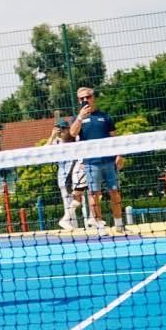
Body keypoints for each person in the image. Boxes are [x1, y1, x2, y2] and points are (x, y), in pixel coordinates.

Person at [68, 87, 124, 233]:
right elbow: (73, 133)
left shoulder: (105, 117)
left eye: (87, 97)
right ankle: (99, 226)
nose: (85, 100)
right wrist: (80, 117)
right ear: (78, 101)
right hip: (91, 163)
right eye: (81, 98)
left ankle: (119, 224)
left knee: (114, 192)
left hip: (109, 161)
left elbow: (114, 137)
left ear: (93, 98)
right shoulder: (76, 118)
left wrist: (119, 155)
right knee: (94, 194)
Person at [51, 120, 85, 230]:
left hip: (76, 174)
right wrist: (52, 137)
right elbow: (44, 151)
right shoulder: (55, 142)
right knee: (68, 201)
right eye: (59, 129)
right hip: (63, 177)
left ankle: (89, 221)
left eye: (63, 129)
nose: (62, 131)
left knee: (83, 197)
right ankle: (70, 225)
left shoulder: (74, 139)